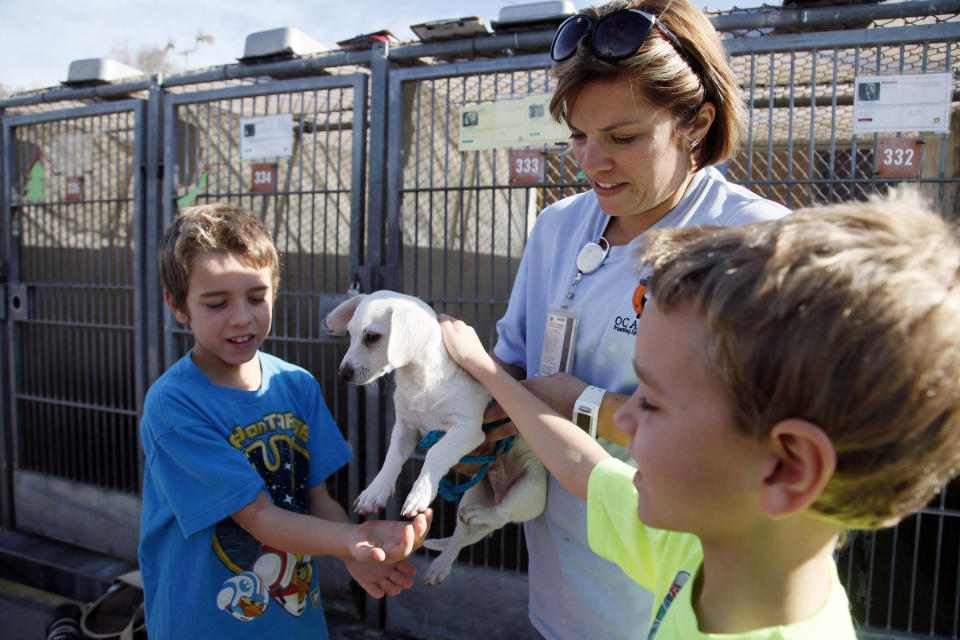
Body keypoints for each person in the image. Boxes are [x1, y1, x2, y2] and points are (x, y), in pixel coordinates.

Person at [440, 187, 960, 638]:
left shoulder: (684, 552)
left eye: (654, 401)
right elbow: (579, 465)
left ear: (787, 467)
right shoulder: (695, 552)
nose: (621, 418)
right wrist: (484, 372)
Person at [469, 0, 789, 636]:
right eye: (579, 138)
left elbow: (758, 440)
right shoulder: (558, 226)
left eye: (623, 138)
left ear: (695, 124)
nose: (591, 164)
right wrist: (462, 434)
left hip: (674, 607)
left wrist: (577, 402)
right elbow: (513, 368)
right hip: (561, 594)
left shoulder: (754, 241)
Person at [138, 203, 432, 639]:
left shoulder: (296, 385)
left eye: (256, 297)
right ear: (177, 305)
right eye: (217, 303)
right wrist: (350, 540)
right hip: (205, 623)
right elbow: (256, 515)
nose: (242, 316)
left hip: (295, 621)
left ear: (275, 290)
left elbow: (317, 498)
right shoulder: (176, 405)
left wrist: (353, 553)